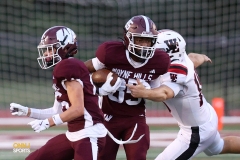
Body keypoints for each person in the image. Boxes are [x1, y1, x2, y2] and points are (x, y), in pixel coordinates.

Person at [126, 29, 240, 160]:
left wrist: (144, 92)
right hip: (206, 117)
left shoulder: (177, 73)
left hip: (196, 131)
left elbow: (164, 93)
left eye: (153, 49)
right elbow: (193, 57)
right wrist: (202, 57)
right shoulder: (182, 59)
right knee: (219, 146)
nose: (148, 51)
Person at [9, 26, 110, 160]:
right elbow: (56, 111)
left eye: (50, 49)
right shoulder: (62, 69)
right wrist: (27, 111)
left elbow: (78, 109)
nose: (45, 54)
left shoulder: (68, 67)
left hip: (89, 134)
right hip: (73, 135)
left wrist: (48, 123)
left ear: (65, 48)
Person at [84, 15, 171, 160]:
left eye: (148, 40)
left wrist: (146, 92)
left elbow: (158, 91)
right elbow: (82, 71)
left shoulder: (159, 61)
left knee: (138, 156)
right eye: (139, 39)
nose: (144, 45)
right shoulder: (110, 53)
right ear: (128, 38)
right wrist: (95, 88)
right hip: (107, 117)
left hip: (135, 119)